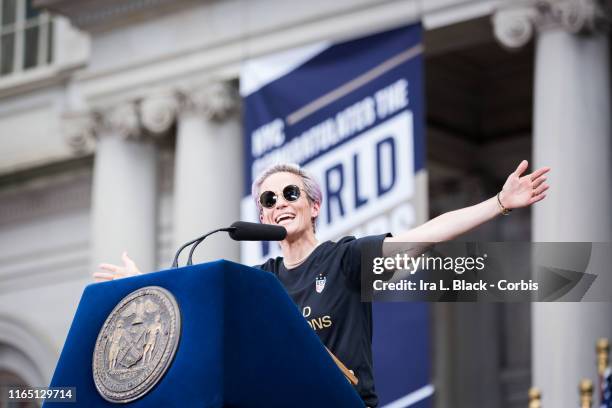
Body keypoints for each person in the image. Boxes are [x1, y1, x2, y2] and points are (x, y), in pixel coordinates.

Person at [93, 160, 550, 407]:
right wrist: (144, 286)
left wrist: (499, 204)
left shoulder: (346, 258)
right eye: (268, 200)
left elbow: (423, 236)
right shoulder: (261, 281)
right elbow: (194, 310)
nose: (279, 203)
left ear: (314, 206)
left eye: (290, 193)